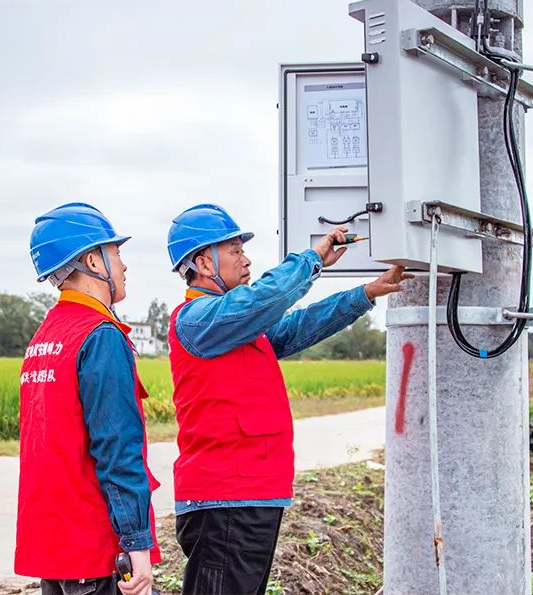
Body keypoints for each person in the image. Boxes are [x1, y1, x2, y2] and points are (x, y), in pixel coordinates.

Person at [165, 203, 412, 595]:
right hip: (225, 499)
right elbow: (266, 297)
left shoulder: (239, 327)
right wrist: (312, 259)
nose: (246, 261)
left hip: (251, 496)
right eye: (235, 251)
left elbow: (298, 326)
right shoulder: (199, 319)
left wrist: (365, 294)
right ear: (204, 263)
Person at [16, 202, 159, 595]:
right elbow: (116, 447)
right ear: (94, 261)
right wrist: (137, 543)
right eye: (116, 253)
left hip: (55, 548)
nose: (124, 265)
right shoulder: (100, 335)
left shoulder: (46, 336)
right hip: (95, 549)